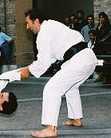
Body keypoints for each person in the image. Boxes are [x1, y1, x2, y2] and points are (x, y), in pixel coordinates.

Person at [19, 9, 98, 137]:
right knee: (71, 88)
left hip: (78, 60)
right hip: (88, 58)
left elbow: (43, 62)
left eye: (28, 23)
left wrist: (27, 71)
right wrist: (29, 68)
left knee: (51, 89)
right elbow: (51, 58)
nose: (28, 27)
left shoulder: (44, 34)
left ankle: (50, 128)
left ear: (37, 21)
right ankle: (76, 118)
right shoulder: (52, 25)